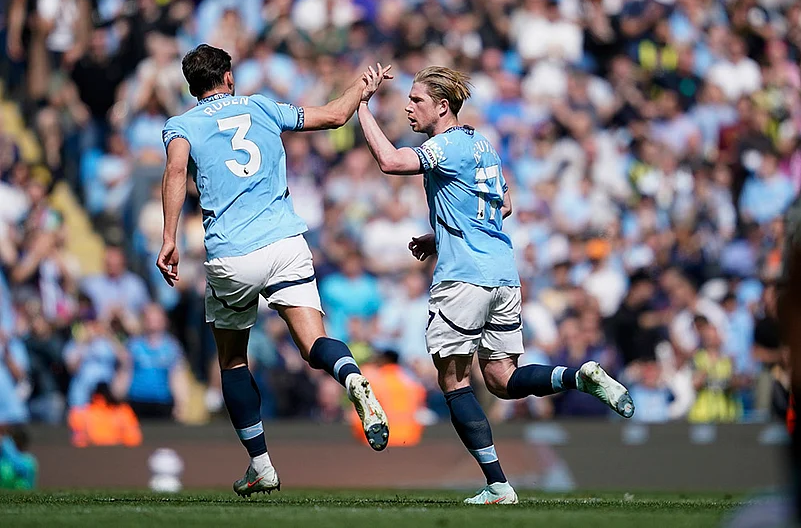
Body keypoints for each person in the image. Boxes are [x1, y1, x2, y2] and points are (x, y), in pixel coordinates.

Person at [357, 66, 635, 505]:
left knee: (453, 381)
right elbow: (504, 204)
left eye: (417, 101)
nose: (409, 108)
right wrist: (442, 232)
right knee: (503, 379)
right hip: (503, 273)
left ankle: (498, 484)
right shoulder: (481, 143)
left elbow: (391, 161)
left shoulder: (442, 145)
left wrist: (360, 106)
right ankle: (577, 376)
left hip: (464, 277)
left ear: (442, 106)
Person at [156, 44, 392, 497]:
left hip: (233, 255)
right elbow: (333, 117)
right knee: (314, 343)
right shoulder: (262, 106)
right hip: (285, 243)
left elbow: (175, 170)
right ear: (228, 77)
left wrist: (169, 237)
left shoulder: (181, 125)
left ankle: (261, 465)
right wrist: (361, 89)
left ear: (192, 86)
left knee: (232, 360)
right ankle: (352, 377)